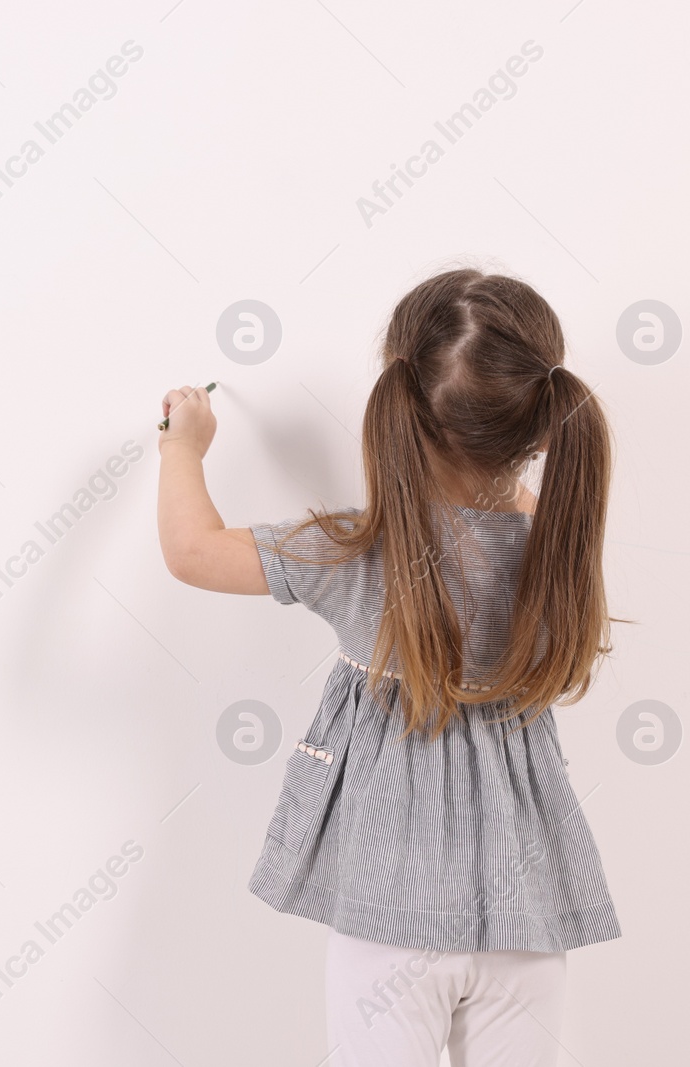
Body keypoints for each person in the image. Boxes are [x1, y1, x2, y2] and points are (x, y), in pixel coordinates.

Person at [156, 268, 622, 1066]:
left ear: (400, 407)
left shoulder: (350, 551)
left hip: (387, 916)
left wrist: (182, 447)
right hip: (528, 919)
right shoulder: (558, 542)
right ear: (542, 428)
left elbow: (192, 552)